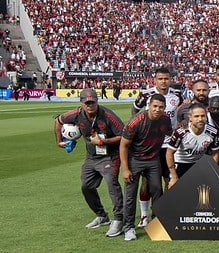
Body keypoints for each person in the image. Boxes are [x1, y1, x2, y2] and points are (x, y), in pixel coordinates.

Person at [54, 88, 125, 237]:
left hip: (110, 155)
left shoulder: (108, 116)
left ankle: (119, 220)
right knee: (86, 186)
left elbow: (123, 135)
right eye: (87, 103)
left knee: (112, 183)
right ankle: (101, 216)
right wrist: (59, 142)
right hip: (91, 157)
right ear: (81, 103)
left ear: (97, 101)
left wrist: (103, 141)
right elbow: (58, 120)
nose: (90, 105)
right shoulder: (75, 114)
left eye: (92, 102)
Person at [130, 67, 182, 228]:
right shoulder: (146, 95)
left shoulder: (178, 95)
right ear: (155, 80)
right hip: (151, 144)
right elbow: (135, 109)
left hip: (170, 144)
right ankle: (144, 216)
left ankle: (164, 212)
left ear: (170, 79)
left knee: (169, 180)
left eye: (166, 78)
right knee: (147, 181)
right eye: (160, 79)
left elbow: (182, 111)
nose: (163, 81)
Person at [119, 94, 173, 241]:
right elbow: (123, 145)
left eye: (161, 107)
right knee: (130, 194)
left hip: (153, 159)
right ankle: (129, 227)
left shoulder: (165, 120)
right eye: (154, 106)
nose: (157, 109)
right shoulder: (136, 122)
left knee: (157, 190)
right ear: (148, 106)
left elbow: (171, 132)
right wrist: (125, 169)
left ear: (164, 108)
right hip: (135, 159)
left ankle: (156, 223)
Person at [165, 103, 219, 185]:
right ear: (190, 117)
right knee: (175, 191)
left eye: (203, 116)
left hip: (199, 164)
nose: (200, 119)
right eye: (196, 116)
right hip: (181, 163)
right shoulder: (180, 133)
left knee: (201, 192)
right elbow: (169, 153)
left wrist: (212, 171)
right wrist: (174, 177)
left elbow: (215, 153)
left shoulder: (213, 132)